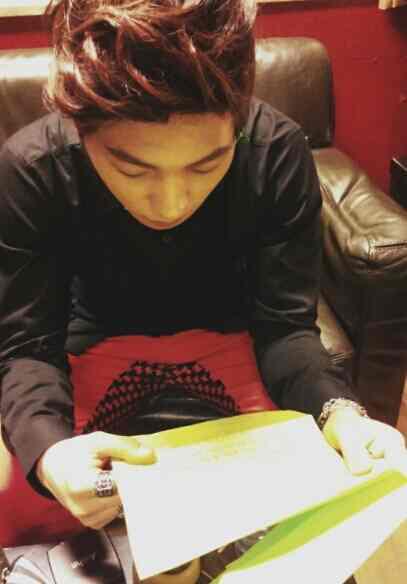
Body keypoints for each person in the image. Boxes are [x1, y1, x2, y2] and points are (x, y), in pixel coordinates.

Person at [0, 0, 404, 547]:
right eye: (131, 169)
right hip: (92, 345)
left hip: (235, 342)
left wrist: (341, 413)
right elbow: (27, 346)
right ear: (81, 130)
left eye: (207, 164)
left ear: (237, 127)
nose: (172, 204)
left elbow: (285, 328)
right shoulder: (33, 167)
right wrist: (50, 454)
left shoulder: (275, 151)